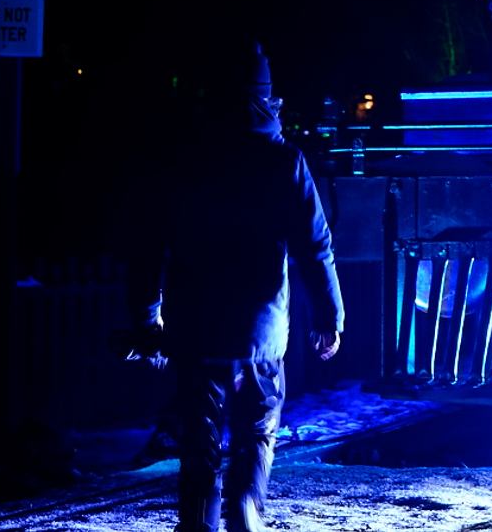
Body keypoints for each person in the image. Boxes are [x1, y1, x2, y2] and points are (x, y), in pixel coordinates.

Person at [125, 42, 344, 532]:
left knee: (198, 438)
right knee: (257, 428)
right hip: (260, 328)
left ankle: (198, 521)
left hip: (195, 325)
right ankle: (246, 507)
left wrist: (146, 317)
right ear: (268, 98)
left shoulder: (182, 162)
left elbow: (148, 245)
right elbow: (315, 246)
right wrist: (330, 317)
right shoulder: (284, 161)